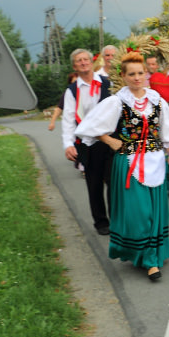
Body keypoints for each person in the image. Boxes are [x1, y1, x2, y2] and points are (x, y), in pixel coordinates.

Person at [75, 52, 169, 281]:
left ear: (146, 74)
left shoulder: (156, 100)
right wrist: (109, 139)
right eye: (132, 74)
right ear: (123, 76)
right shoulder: (116, 102)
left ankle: (152, 255)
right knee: (139, 213)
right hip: (128, 163)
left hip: (155, 162)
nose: (137, 78)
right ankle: (147, 258)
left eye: (141, 73)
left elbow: (167, 130)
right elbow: (86, 127)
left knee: (156, 212)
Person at [61, 49, 114, 235]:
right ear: (74, 66)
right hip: (88, 144)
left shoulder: (108, 84)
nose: (83, 63)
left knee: (113, 182)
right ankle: (101, 222)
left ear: (92, 62)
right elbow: (68, 119)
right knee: (94, 183)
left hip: (110, 141)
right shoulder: (72, 91)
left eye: (86, 59)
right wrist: (68, 144)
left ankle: (116, 220)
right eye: (79, 61)